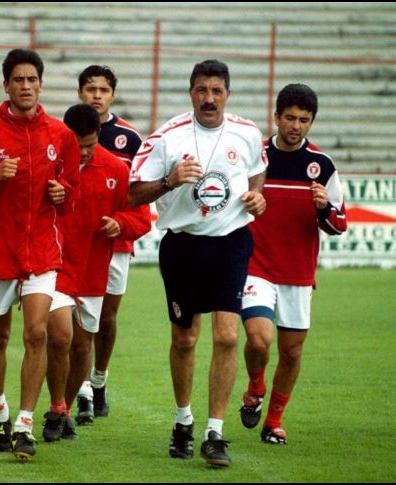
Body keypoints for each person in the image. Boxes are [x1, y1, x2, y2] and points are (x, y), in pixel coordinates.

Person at [128, 59, 267, 468]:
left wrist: (256, 197)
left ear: (227, 94)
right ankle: (183, 420)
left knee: (227, 337)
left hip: (231, 243)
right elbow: (133, 195)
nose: (209, 98)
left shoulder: (247, 132)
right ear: (191, 93)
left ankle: (215, 433)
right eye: (202, 90)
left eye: (216, 91)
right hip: (183, 246)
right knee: (185, 340)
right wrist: (169, 181)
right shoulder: (166, 138)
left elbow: (257, 172)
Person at [0, 48, 81, 461]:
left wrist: (63, 193)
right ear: (6, 85)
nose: (26, 86)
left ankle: (24, 424)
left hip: (41, 250)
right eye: (18, 80)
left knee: (37, 332)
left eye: (32, 80)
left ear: (41, 84)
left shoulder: (61, 135)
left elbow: (72, 193)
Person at [238, 84, 347, 445]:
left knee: (292, 351)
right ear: (276, 117)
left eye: (303, 120)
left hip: (297, 273)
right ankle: (255, 386)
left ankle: (273, 421)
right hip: (255, 266)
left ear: (311, 122)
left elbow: (338, 225)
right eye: (289, 118)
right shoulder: (256, 157)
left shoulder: (322, 165)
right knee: (259, 339)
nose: (295, 126)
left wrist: (323, 207)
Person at [43, 104, 151, 442]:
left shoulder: (116, 168)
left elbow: (141, 218)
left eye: (90, 144)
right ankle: (56, 406)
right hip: (54, 267)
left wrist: (120, 223)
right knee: (60, 337)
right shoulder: (48, 164)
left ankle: (64, 409)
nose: (85, 152)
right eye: (79, 146)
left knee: (81, 346)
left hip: (92, 271)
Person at [74, 65, 145, 423]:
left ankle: (99, 378)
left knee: (106, 317)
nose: (97, 95)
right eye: (91, 89)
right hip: (75, 245)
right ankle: (83, 390)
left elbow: (138, 193)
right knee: (76, 322)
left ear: (113, 95)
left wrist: (122, 224)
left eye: (103, 90)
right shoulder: (67, 133)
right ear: (80, 93)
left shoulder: (129, 139)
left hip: (115, 245)